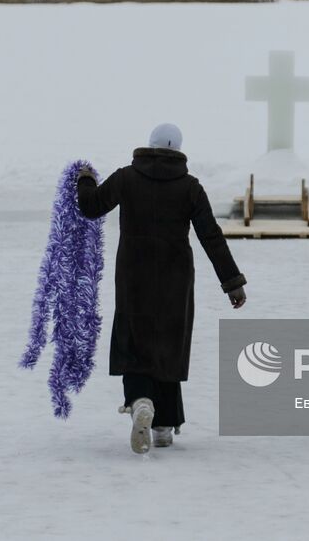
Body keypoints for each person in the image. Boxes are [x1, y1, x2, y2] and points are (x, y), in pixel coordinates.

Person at [77, 123, 247, 454]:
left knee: (134, 342)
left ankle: (141, 401)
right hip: (175, 277)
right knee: (169, 344)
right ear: (178, 149)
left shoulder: (126, 177)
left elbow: (91, 206)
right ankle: (165, 424)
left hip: (133, 276)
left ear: (149, 145)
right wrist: (232, 283)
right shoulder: (190, 188)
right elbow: (210, 235)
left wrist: (84, 180)